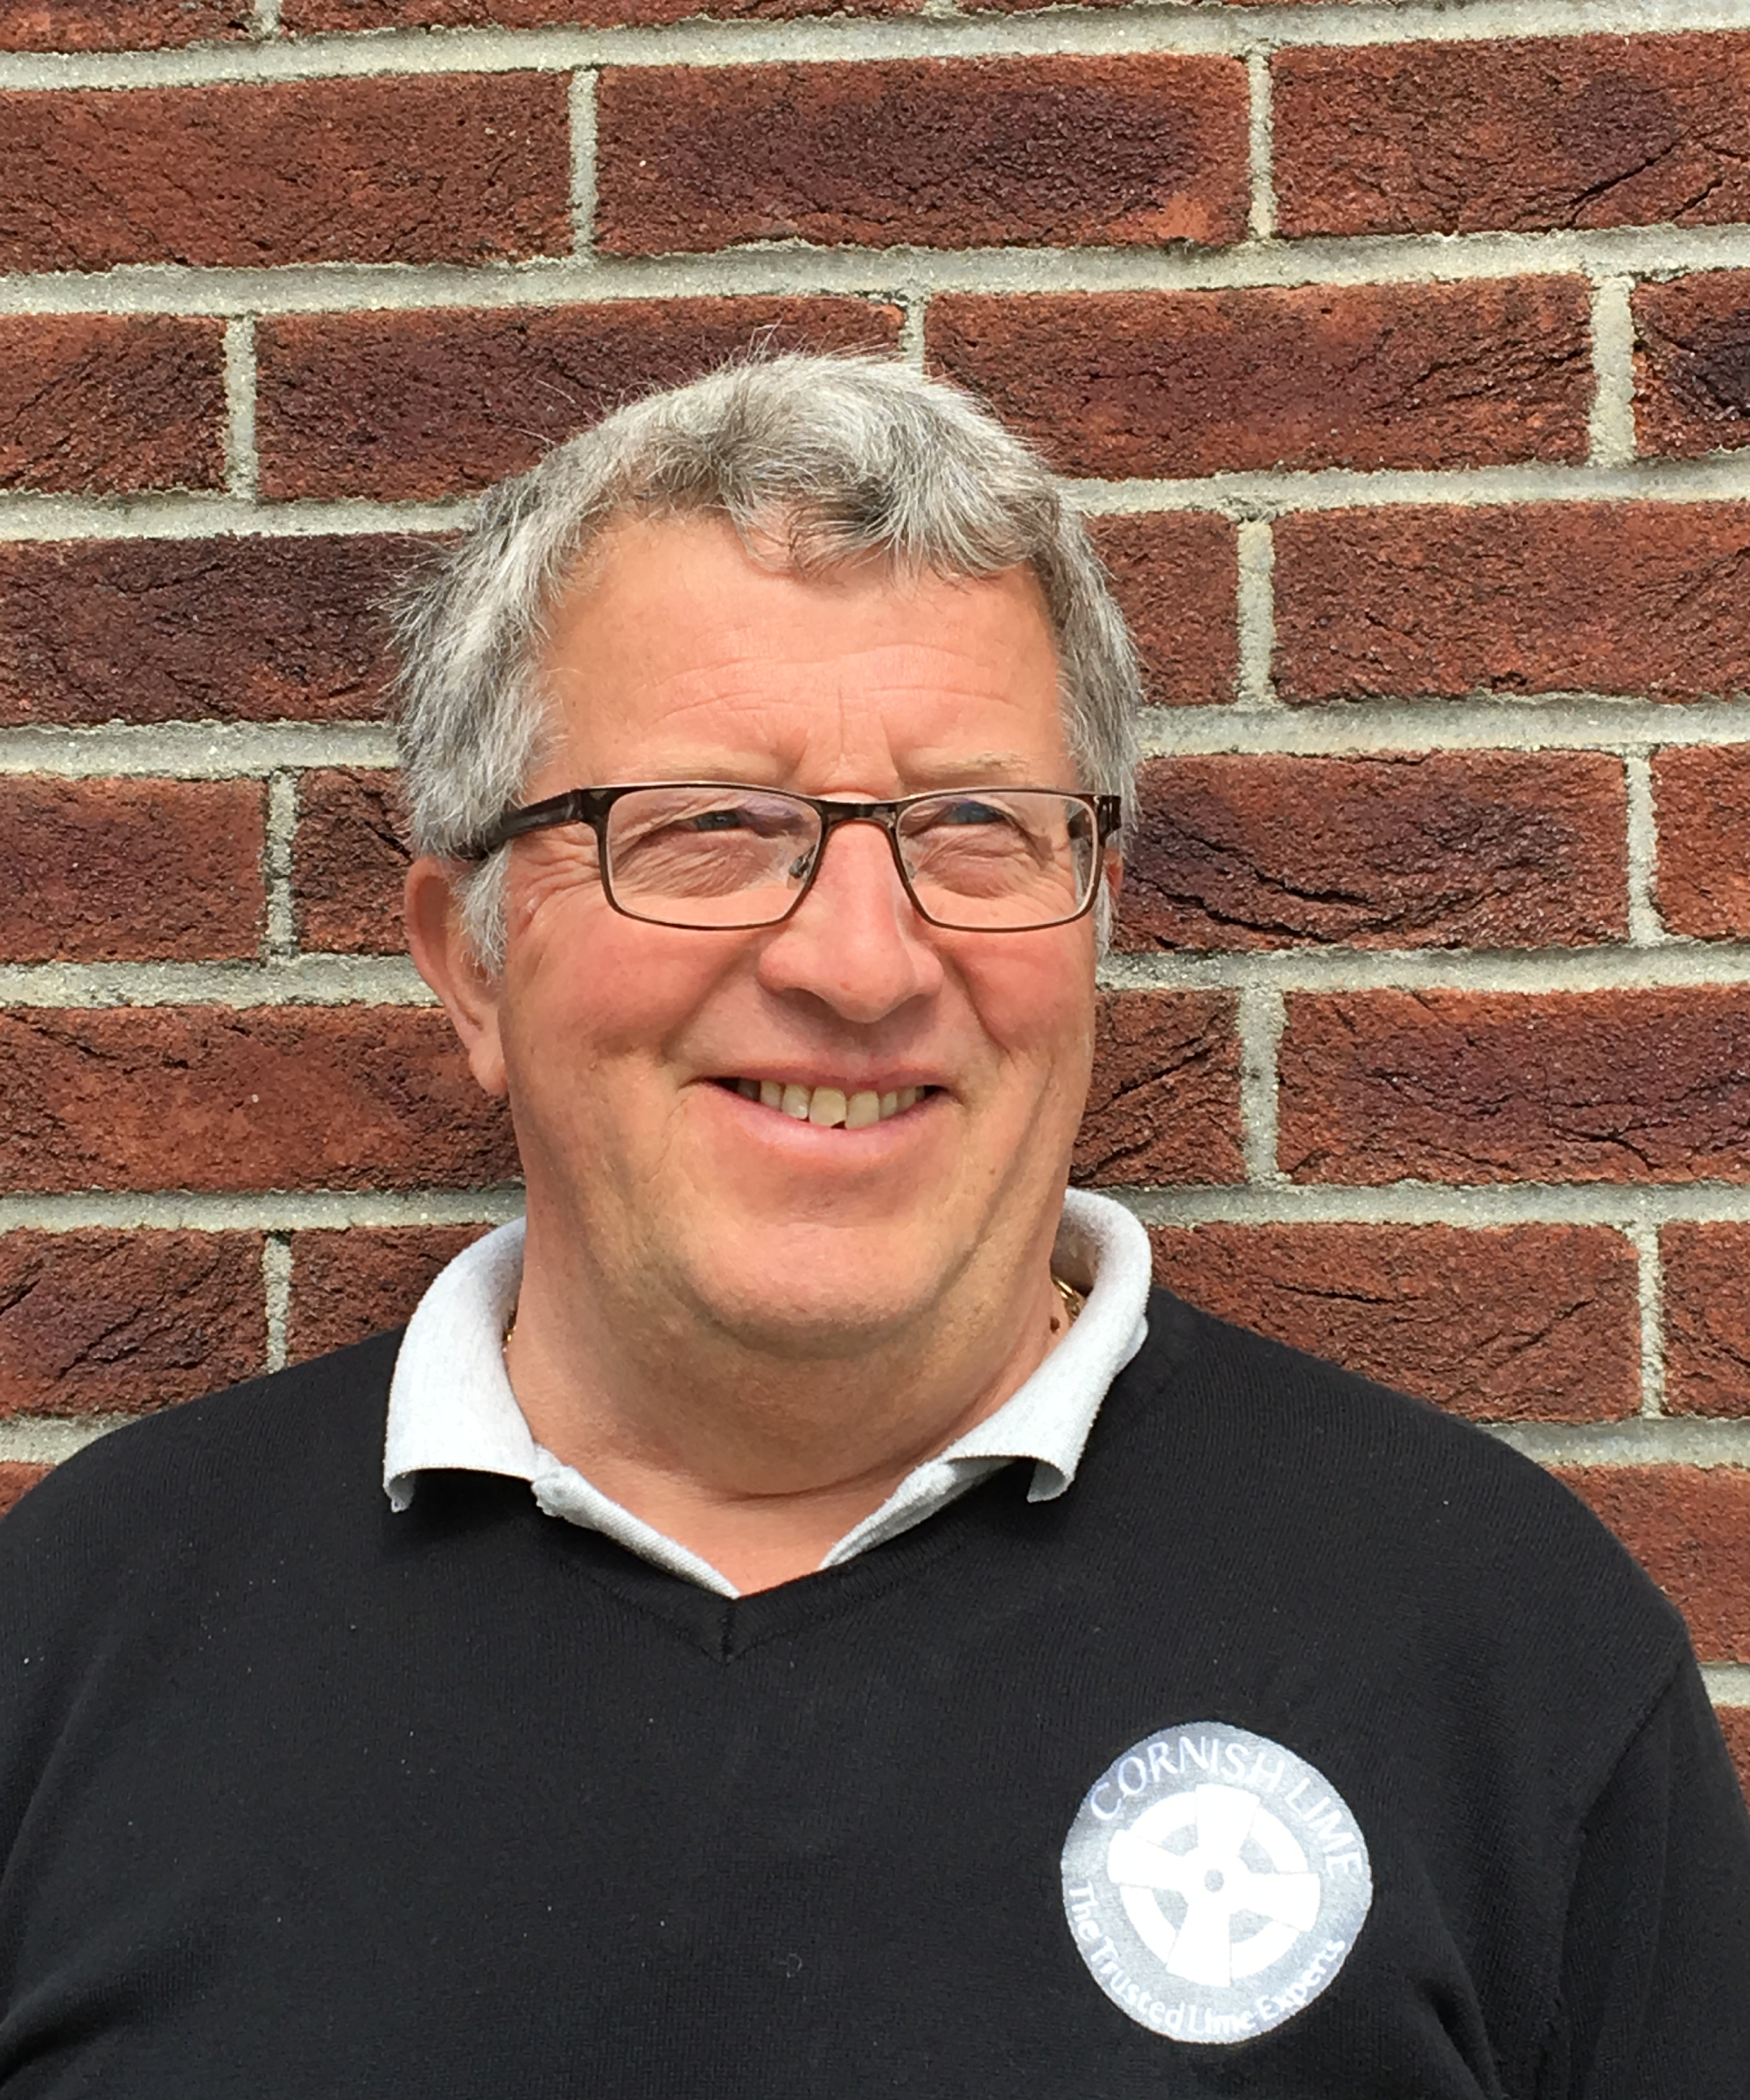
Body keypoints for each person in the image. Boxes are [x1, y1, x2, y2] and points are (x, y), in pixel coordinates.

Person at [1, 355, 1746, 2097]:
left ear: (1093, 923)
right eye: (701, 829)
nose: (855, 960)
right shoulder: (69, 1647)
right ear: (473, 962)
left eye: (973, 829)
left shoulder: (1500, 1659)